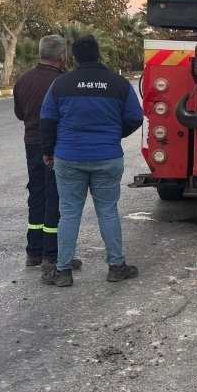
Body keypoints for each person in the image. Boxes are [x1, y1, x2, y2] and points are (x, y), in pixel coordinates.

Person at [39, 35, 142, 287]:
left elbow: (47, 121)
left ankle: (62, 271)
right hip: (107, 157)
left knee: (69, 213)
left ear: (72, 57)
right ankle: (116, 266)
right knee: (107, 211)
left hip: (69, 157)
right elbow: (135, 117)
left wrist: (48, 151)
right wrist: (113, 134)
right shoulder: (119, 84)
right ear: (99, 55)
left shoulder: (61, 84)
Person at [12, 34, 80, 272]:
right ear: (62, 56)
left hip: (31, 143)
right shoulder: (64, 82)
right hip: (56, 145)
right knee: (56, 197)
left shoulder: (24, 80)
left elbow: (20, 114)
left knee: (37, 193)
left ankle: (33, 252)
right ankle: (52, 254)